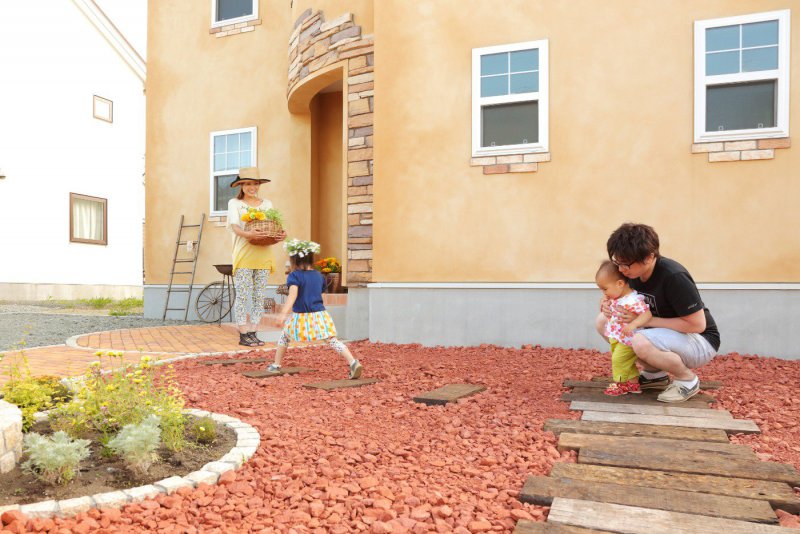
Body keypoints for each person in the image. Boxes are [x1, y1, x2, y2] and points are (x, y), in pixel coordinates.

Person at [597, 223, 721, 403]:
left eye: (626, 264)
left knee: (640, 340)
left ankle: (687, 380)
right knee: (603, 321)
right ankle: (655, 375)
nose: (621, 270)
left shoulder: (673, 276)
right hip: (666, 334)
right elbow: (619, 296)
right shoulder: (632, 274)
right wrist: (607, 305)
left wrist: (643, 321)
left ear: (649, 257)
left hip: (700, 341)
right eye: (618, 262)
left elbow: (697, 325)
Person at [268, 238, 363, 379]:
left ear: (294, 260)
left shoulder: (294, 276)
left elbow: (292, 296)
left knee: (284, 336)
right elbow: (322, 296)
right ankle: (353, 362)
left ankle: (276, 365)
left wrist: (282, 315)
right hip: (319, 314)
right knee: (332, 340)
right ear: (311, 258)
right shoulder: (319, 275)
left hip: (301, 316)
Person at [226, 167, 285, 347]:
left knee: (259, 295)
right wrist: (249, 234)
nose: (252, 187)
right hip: (244, 254)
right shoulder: (234, 204)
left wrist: (281, 234)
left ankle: (253, 331)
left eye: (255, 184)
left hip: (264, 254)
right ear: (242, 186)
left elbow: (274, 224)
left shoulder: (267, 203)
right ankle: (243, 333)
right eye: (248, 184)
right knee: (243, 294)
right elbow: (235, 227)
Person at [595, 260, 652, 396]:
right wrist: (604, 303)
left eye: (605, 289)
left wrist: (633, 324)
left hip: (628, 339)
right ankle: (633, 384)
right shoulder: (617, 296)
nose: (604, 293)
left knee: (618, 360)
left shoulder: (632, 300)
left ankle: (620, 384)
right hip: (617, 337)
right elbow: (608, 307)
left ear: (620, 283)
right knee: (627, 363)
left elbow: (647, 314)